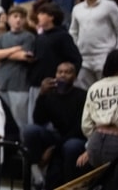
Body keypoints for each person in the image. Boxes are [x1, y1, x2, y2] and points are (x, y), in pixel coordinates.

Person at [23, 62, 87, 190]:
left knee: (70, 146)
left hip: (76, 138)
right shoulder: (50, 95)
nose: (62, 75)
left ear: (75, 76)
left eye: (67, 72)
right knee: (30, 130)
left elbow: (79, 128)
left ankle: (70, 184)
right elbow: (38, 120)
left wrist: (54, 148)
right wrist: (41, 95)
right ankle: (36, 170)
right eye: (60, 72)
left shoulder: (82, 95)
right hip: (57, 137)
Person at [70, 0, 118, 90]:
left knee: (105, 90)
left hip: (104, 55)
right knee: (84, 91)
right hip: (83, 57)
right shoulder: (77, 9)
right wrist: (75, 49)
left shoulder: (109, 6)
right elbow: (73, 31)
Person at [0, 6, 35, 132]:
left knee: (20, 121)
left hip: (20, 86)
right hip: (3, 84)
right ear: (9, 19)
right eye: (15, 16)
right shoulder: (2, 37)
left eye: (21, 17)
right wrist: (15, 49)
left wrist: (3, 54)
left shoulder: (29, 37)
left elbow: (24, 56)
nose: (18, 20)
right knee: (3, 121)